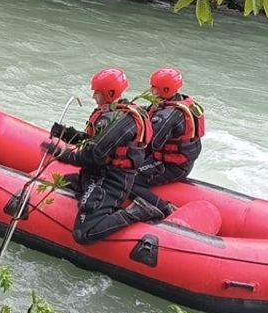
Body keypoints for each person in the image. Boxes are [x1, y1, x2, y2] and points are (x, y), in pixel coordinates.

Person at [42, 67, 164, 244]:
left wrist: (61, 154)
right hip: (96, 175)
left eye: (97, 93)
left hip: (110, 181)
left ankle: (136, 211)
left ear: (110, 93)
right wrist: (66, 133)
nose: (93, 97)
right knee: (59, 182)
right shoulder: (114, 114)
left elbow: (92, 156)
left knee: (82, 235)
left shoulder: (121, 121)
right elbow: (96, 142)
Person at [137, 67, 204, 186]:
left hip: (172, 167)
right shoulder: (178, 101)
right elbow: (149, 112)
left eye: (154, 87)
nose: (151, 90)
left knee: (130, 180)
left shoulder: (169, 115)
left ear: (166, 89)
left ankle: (163, 205)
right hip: (177, 162)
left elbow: (149, 144)